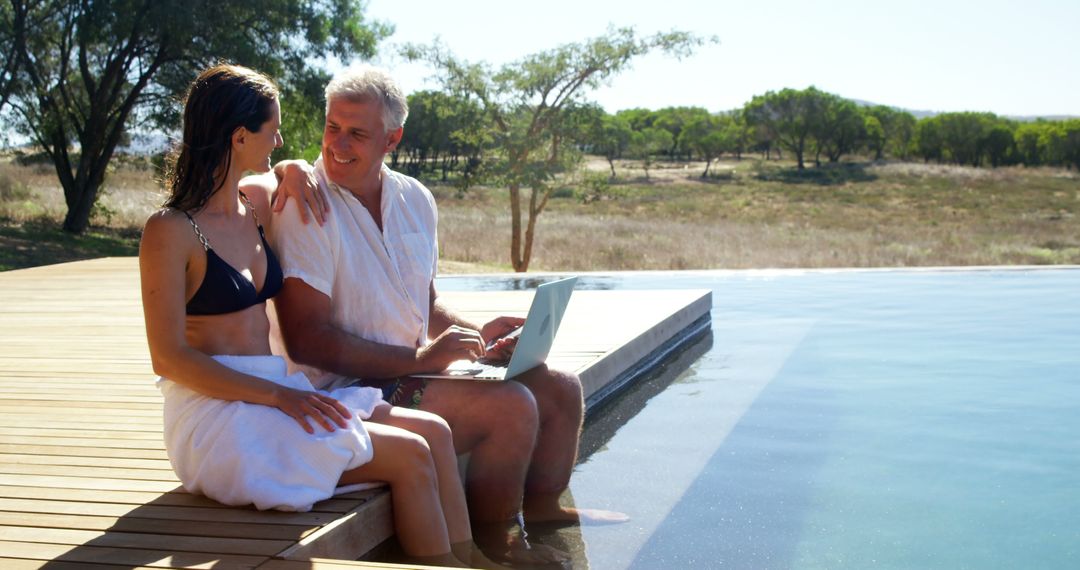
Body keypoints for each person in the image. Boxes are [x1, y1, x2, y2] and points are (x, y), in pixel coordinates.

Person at [263, 64, 627, 565]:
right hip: (347, 390)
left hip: (414, 365)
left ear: (393, 139)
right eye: (332, 127)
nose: (337, 145)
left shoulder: (415, 198)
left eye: (357, 133)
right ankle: (499, 539)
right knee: (512, 405)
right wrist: (424, 356)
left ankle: (543, 510)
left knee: (560, 386)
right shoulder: (305, 203)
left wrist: (478, 333)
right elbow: (306, 340)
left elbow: (425, 301)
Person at [139, 63, 496, 568]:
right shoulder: (169, 230)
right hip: (216, 417)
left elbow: (282, 173)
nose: (282, 140)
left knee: (433, 432)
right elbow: (168, 358)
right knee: (411, 456)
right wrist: (280, 395)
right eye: (272, 130)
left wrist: (290, 169)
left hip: (274, 395)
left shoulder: (255, 205)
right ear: (240, 137)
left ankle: (471, 559)